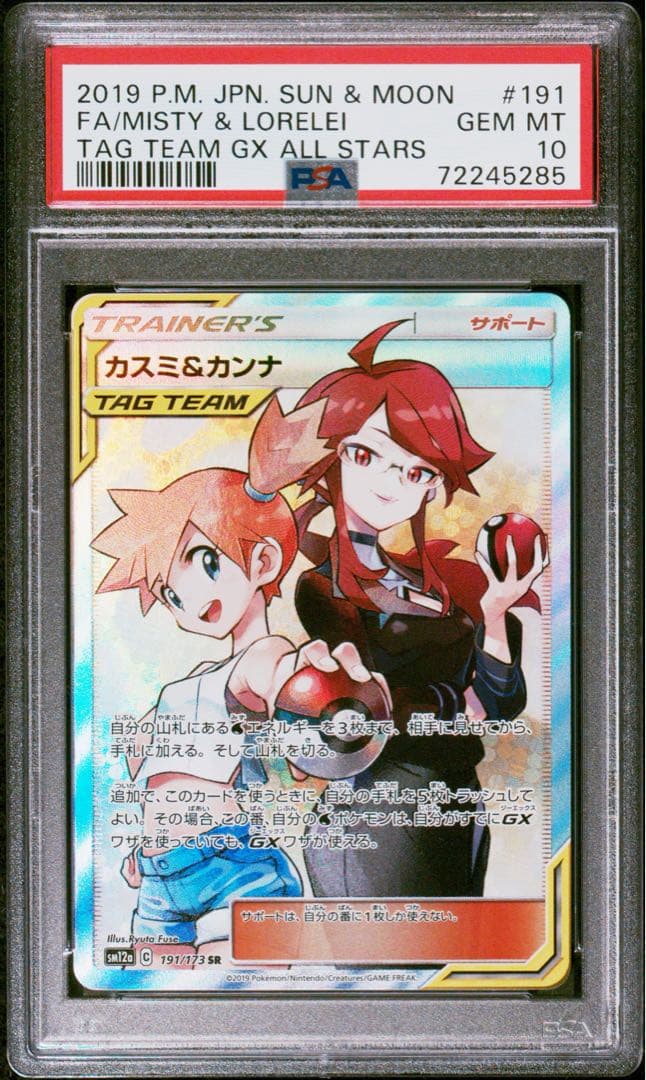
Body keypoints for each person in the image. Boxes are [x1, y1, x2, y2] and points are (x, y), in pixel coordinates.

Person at [246, 320, 548, 898]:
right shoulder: (323, 589)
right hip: (377, 810)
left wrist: (494, 611)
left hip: (456, 804)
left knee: (453, 952)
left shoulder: (432, 584)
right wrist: (454, 703)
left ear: (433, 485)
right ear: (331, 457)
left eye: (415, 471)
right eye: (364, 455)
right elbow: (362, 710)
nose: (390, 483)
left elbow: (500, 702)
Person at [92, 467, 316, 957]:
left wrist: (315, 693)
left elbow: (281, 680)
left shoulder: (263, 654)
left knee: (241, 994)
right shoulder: (191, 680)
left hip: (233, 866)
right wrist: (142, 842)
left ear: (263, 561)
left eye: (207, 562)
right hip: (157, 880)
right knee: (151, 996)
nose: (188, 602)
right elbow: (144, 764)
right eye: (172, 595)